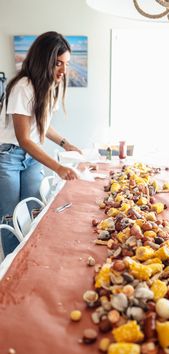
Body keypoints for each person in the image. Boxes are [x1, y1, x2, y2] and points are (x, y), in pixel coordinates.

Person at [0, 31, 82, 257]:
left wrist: (66, 144)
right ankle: (12, 268)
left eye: (65, 64)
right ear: (44, 59)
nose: (63, 71)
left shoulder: (48, 86)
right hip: (9, 156)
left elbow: (42, 126)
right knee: (10, 217)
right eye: (58, 63)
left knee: (35, 212)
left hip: (31, 156)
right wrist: (58, 167)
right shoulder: (23, 86)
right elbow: (24, 138)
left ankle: (31, 259)